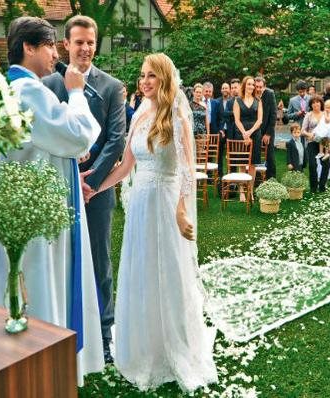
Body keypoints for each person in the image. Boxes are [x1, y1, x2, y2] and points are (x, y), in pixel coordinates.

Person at [0, 16, 104, 384]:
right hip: (34, 209)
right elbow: (79, 134)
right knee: (36, 281)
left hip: (16, 201)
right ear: (29, 47)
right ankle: (38, 365)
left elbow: (49, 142)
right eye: (50, 46)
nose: (56, 54)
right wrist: (75, 91)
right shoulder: (29, 92)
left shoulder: (4, 88)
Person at [89, 52, 218, 392]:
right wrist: (94, 187)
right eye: (141, 76)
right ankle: (142, 346)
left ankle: (171, 347)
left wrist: (180, 209)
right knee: (141, 271)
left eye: (151, 76)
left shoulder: (177, 116)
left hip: (165, 202)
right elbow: (125, 166)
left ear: (164, 79)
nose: (144, 82)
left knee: (167, 273)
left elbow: (189, 170)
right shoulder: (140, 114)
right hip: (140, 207)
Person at [43, 15, 127, 366]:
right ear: (66, 44)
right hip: (58, 189)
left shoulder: (111, 87)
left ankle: (105, 333)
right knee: (58, 258)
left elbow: (115, 139)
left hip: (97, 192)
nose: (85, 48)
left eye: (90, 42)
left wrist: (91, 183)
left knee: (99, 260)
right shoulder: (48, 85)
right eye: (79, 42)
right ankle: (61, 331)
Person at [233, 76, 263, 163]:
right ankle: (243, 177)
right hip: (241, 134)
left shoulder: (258, 101)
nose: (251, 86)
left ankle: (252, 177)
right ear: (244, 85)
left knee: (253, 163)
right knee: (242, 161)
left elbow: (260, 120)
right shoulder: (237, 100)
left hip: (255, 134)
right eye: (249, 84)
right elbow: (237, 120)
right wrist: (244, 134)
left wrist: (250, 132)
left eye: (253, 85)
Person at [255, 76, 277, 178]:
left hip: (268, 130)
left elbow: (273, 114)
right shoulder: (251, 94)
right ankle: (257, 178)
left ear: (264, 86)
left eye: (260, 87)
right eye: (257, 87)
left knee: (269, 155)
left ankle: (271, 178)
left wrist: (268, 133)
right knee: (255, 154)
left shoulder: (270, 94)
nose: (258, 89)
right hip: (254, 130)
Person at [301, 96, 325, 193]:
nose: (316, 104)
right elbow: (302, 130)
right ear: (311, 105)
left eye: (317, 102)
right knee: (312, 165)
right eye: (313, 103)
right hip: (311, 142)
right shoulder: (309, 115)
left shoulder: (325, 114)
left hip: (324, 143)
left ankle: (322, 186)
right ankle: (313, 188)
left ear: (321, 103)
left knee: (326, 164)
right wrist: (309, 134)